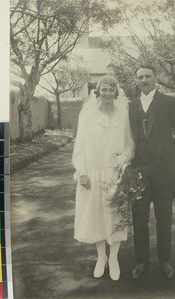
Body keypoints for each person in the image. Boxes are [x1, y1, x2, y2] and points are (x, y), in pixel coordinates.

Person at [72, 76, 135, 281]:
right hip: (92, 172)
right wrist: (81, 171)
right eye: (103, 89)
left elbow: (129, 145)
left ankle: (114, 259)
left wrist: (122, 161)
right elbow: (79, 146)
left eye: (111, 89)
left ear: (116, 93)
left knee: (115, 217)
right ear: (97, 92)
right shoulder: (87, 115)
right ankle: (102, 258)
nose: (107, 93)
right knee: (96, 216)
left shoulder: (123, 115)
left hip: (114, 173)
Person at [129, 64, 175, 279]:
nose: (144, 80)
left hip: (164, 173)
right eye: (140, 77)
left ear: (156, 78)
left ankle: (165, 260)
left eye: (148, 76)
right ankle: (141, 261)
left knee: (164, 218)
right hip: (138, 172)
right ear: (136, 80)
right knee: (139, 218)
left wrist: (171, 159)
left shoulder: (170, 103)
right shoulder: (130, 106)